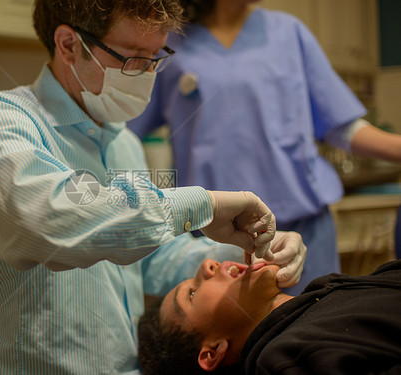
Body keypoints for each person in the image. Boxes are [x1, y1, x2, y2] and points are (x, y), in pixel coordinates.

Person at [0, 1, 308, 373]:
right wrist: (202, 205)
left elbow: (150, 257)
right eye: (133, 57)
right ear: (70, 45)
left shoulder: (124, 145)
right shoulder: (1, 122)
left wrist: (251, 250)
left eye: (156, 56)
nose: (147, 73)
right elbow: (48, 223)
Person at [128, 0, 401, 295]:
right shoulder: (170, 43)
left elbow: (339, 125)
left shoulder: (288, 32)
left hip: (304, 226)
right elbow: (125, 129)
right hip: (218, 237)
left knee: (319, 330)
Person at [138, 258, 401, 375]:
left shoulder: (323, 291)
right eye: (192, 294)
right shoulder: (285, 360)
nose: (207, 263)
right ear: (212, 352)